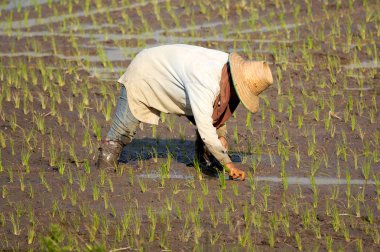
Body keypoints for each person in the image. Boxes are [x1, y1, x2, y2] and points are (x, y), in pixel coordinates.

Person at [96, 44, 273, 181]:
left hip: (175, 76)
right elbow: (205, 127)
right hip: (145, 72)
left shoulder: (226, 67)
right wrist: (229, 165)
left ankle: (205, 163)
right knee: (121, 133)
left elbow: (218, 109)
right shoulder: (205, 80)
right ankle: (102, 172)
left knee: (213, 127)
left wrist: (222, 137)